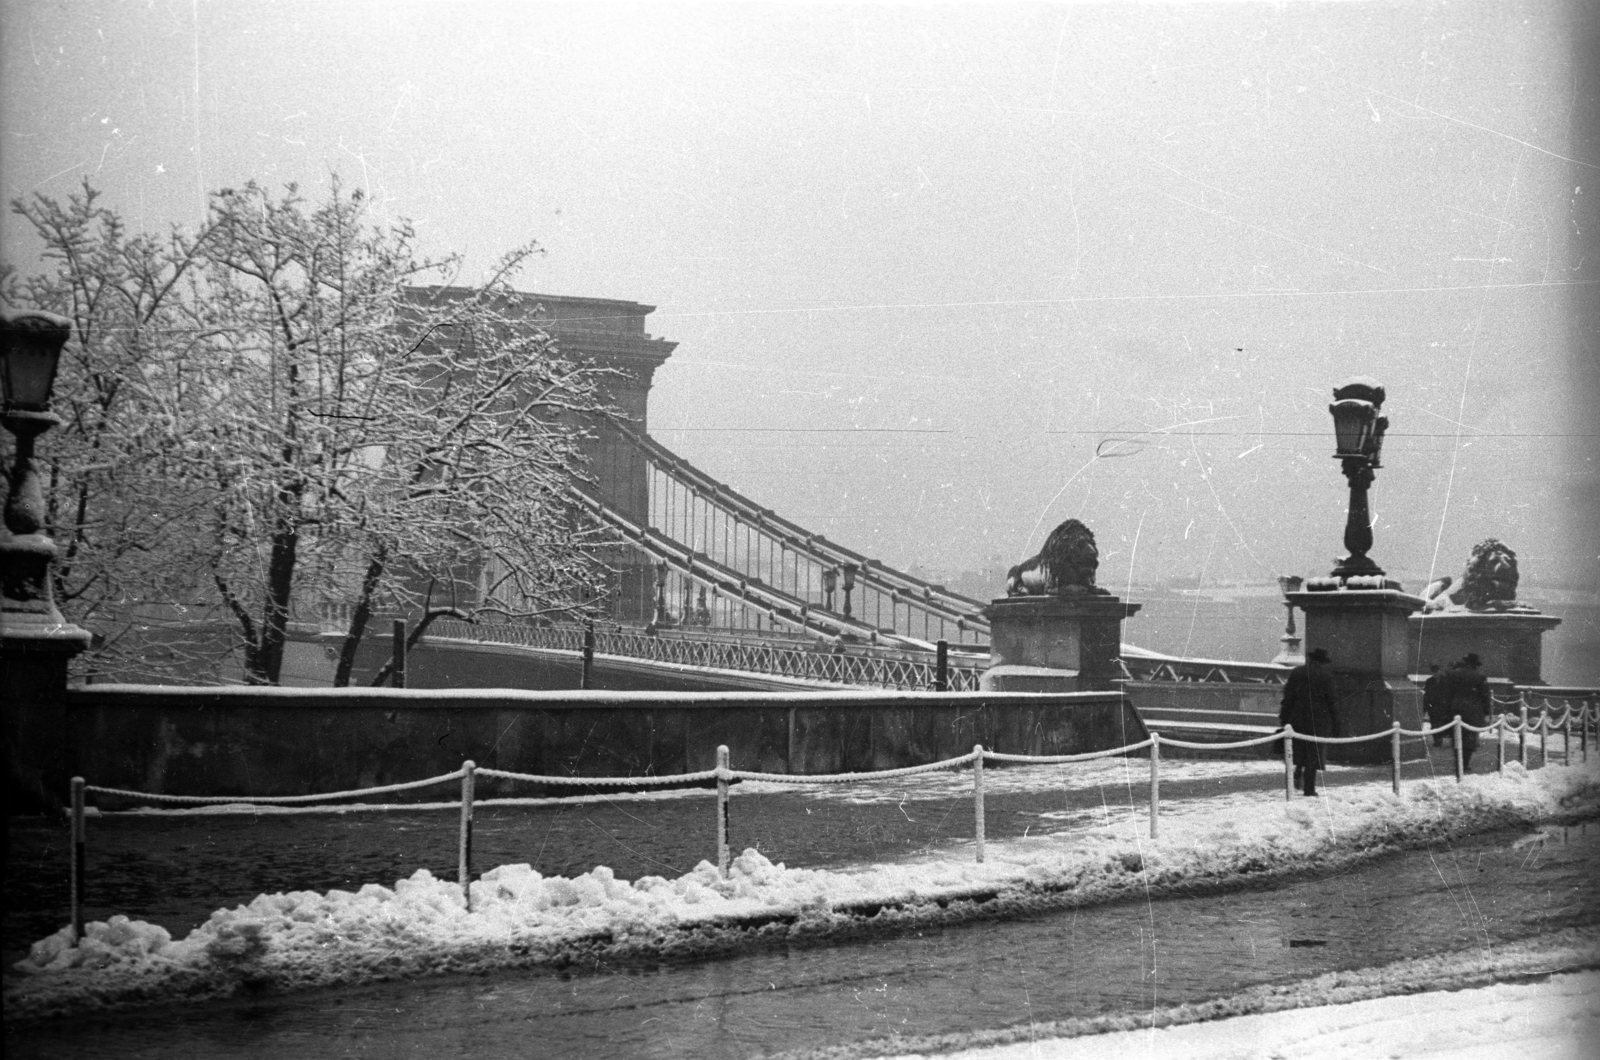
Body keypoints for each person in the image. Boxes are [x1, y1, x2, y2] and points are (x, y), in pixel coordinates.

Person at [1280, 647, 1339, 796]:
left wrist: (1284, 717)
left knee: (1297, 749)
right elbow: (1331, 701)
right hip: (1317, 719)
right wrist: (1336, 723)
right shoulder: (1326, 676)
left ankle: (1297, 772)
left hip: (1297, 717)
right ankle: (1309, 789)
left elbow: (1287, 697)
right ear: (1322, 662)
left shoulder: (1297, 672)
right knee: (1313, 754)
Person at [1440, 652, 1492, 772]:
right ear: (1475, 664)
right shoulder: (1480, 676)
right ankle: (1465, 763)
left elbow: (1446, 693)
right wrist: (1487, 712)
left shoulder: (1452, 674)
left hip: (1456, 708)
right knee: (1469, 737)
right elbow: (1485, 695)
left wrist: (1446, 709)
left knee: (1457, 735)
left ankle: (1458, 762)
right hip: (1473, 710)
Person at [1422, 663, 1446, 745]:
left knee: (1441, 723)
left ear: (1439, 671)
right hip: (1433, 706)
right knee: (1434, 723)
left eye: (1436, 671)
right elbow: (1427, 694)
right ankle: (1437, 739)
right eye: (1434, 672)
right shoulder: (1429, 681)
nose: (1435, 674)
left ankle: (1439, 738)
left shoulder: (1445, 680)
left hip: (1443, 706)